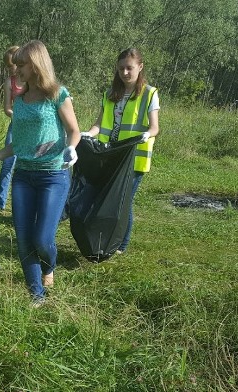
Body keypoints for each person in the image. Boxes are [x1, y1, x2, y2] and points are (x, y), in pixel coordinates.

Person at [0, 40, 81, 304]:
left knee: (43, 238)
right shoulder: (19, 102)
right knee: (23, 238)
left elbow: (74, 130)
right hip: (24, 177)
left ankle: (49, 266)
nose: (16, 69)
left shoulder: (58, 94)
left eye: (21, 64)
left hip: (53, 175)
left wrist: (72, 149)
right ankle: (36, 295)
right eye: (16, 64)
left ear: (36, 64)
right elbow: (17, 145)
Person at [81, 47, 160, 254]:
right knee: (110, 198)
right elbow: (99, 124)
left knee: (123, 201)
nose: (125, 73)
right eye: (121, 68)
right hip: (111, 156)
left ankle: (120, 245)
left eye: (129, 68)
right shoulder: (110, 94)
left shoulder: (149, 94)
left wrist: (146, 135)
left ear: (140, 67)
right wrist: (88, 133)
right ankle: (106, 238)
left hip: (133, 159)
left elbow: (154, 128)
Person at [0, 45, 25, 211]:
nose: (10, 69)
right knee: (8, 162)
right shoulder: (10, 82)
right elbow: (7, 108)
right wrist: (17, 115)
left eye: (11, 65)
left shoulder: (31, 79)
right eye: (8, 66)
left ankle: (21, 205)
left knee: (25, 165)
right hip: (15, 126)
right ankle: (0, 203)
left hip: (32, 127)